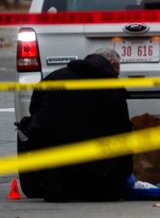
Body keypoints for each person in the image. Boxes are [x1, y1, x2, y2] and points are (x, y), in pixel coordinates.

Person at [17, 48, 132, 202]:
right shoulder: (112, 88)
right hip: (100, 187)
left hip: (57, 186)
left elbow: (35, 112)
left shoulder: (55, 77)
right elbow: (123, 130)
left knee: (31, 126)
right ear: (113, 65)